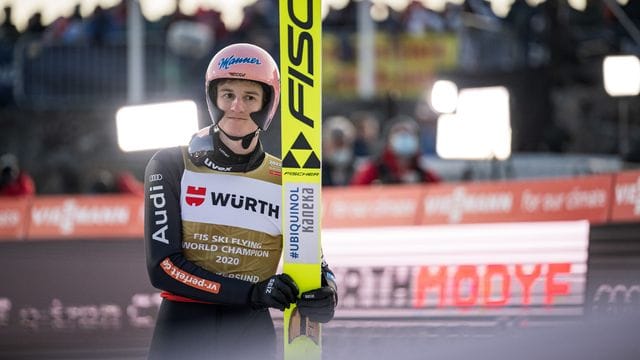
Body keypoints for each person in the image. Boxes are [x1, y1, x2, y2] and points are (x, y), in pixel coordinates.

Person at [143, 43, 338, 360]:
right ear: (213, 99)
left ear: (266, 105)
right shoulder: (171, 164)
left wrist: (327, 292)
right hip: (183, 329)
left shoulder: (287, 179)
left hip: (250, 333)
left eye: (250, 97)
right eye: (228, 94)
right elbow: (163, 267)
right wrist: (252, 293)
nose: (237, 106)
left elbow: (315, 262)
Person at [351, 116, 441, 185]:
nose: (404, 137)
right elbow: (352, 197)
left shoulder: (426, 176)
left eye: (408, 133)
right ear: (388, 140)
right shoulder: (372, 172)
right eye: (398, 132)